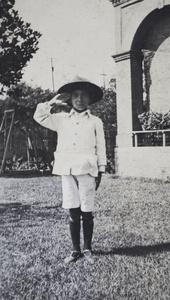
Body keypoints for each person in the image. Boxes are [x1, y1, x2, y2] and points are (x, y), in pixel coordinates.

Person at [34, 76, 106, 264]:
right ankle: (75, 251)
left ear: (89, 99)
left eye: (83, 96)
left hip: (88, 169)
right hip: (67, 169)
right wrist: (51, 102)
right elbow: (39, 116)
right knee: (73, 211)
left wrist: (101, 170)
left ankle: (88, 248)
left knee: (87, 211)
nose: (79, 99)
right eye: (75, 95)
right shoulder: (60, 119)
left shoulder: (95, 121)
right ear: (70, 99)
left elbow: (101, 146)